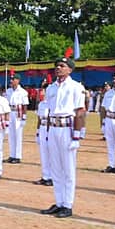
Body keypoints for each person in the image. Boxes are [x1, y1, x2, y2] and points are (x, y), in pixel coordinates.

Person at [40, 49, 86, 218]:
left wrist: (76, 135)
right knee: (56, 168)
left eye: (62, 66)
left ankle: (67, 204)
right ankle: (59, 202)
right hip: (53, 127)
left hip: (67, 128)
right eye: (57, 66)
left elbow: (80, 112)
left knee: (68, 168)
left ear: (70, 69)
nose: (58, 68)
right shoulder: (51, 88)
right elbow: (49, 110)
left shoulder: (76, 87)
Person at [33, 75, 53, 186]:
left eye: (43, 90)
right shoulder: (41, 104)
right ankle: (45, 176)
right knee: (44, 153)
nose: (42, 92)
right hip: (43, 128)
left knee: (52, 154)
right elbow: (39, 119)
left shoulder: (53, 103)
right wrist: (37, 132)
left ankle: (53, 177)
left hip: (52, 129)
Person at [5, 70, 28, 163]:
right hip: (10, 112)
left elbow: (25, 105)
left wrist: (24, 117)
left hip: (18, 114)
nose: (11, 81)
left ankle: (17, 156)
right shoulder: (8, 90)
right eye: (11, 79)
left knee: (18, 135)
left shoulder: (22, 92)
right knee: (11, 135)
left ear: (18, 80)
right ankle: (12, 155)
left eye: (13, 79)